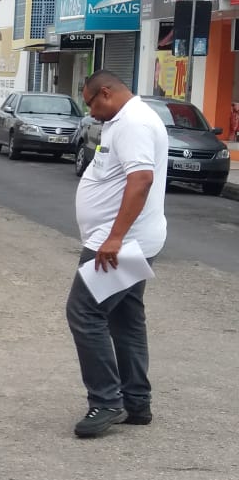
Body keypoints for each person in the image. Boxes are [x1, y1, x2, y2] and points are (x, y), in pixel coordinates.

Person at [67, 70, 168, 438]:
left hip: (121, 243)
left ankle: (106, 400)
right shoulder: (121, 120)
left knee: (84, 313)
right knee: (125, 318)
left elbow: (141, 180)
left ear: (105, 93)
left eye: (91, 103)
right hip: (127, 240)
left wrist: (115, 237)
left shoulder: (134, 124)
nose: (90, 112)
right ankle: (137, 403)